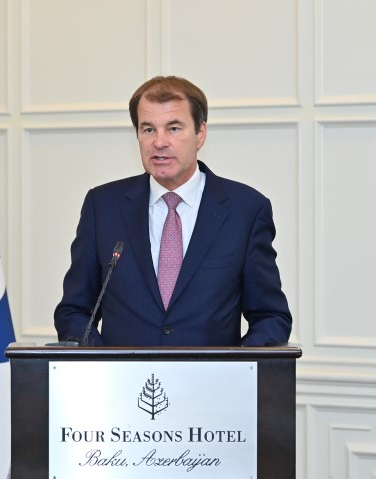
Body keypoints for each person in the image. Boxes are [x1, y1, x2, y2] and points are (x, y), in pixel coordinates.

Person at [54, 75, 291, 347]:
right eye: (148, 129)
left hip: (210, 375)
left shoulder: (246, 209)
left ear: (200, 133)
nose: (159, 142)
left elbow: (271, 317)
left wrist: (234, 366)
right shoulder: (103, 206)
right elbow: (74, 311)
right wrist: (104, 363)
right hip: (120, 374)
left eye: (174, 128)